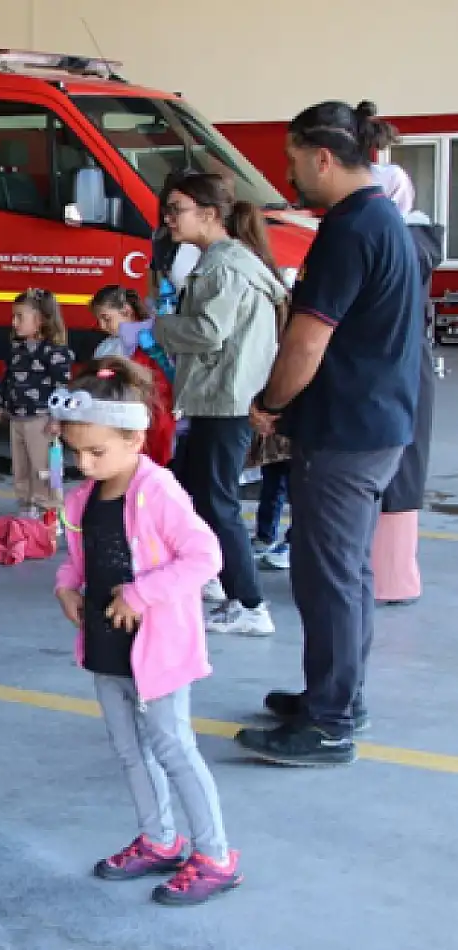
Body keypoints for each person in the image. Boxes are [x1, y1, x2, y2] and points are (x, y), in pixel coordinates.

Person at [240, 101, 423, 767]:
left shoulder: (350, 230)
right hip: (375, 426)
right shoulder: (381, 219)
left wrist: (269, 402)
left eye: (291, 161)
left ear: (322, 157)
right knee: (347, 573)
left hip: (347, 433)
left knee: (330, 578)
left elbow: (307, 342)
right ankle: (337, 695)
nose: (287, 175)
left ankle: (329, 722)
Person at [52, 359, 240, 906]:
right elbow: (78, 562)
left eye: (96, 452)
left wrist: (139, 594)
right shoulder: (81, 499)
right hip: (107, 646)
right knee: (130, 749)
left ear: (135, 438)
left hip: (158, 649)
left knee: (174, 747)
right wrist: (66, 587)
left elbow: (206, 556)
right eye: (74, 452)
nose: (84, 464)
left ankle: (216, 855)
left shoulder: (158, 491)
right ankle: (160, 839)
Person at [153, 173, 286, 637]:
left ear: (209, 214)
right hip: (216, 396)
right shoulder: (220, 260)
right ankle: (208, 576)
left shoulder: (224, 266)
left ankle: (249, 603)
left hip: (225, 400)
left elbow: (209, 331)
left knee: (217, 500)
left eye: (176, 209)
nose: (168, 219)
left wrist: (162, 326)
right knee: (189, 490)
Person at [370, 163, 445, 606]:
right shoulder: (414, 240)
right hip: (403, 363)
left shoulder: (403, 242)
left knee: (398, 469)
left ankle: (390, 578)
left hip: (397, 366)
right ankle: (389, 576)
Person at [0, 288, 73, 519]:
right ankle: (26, 507)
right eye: (14, 317)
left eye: (20, 317)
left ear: (41, 319)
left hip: (42, 420)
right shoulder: (17, 350)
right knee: (21, 468)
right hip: (18, 420)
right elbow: (8, 381)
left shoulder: (55, 353)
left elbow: (63, 387)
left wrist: (58, 418)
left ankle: (50, 511)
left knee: (44, 468)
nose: (14, 323)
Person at [89, 287, 177, 467]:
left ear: (126, 311)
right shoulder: (110, 346)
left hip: (153, 412)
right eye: (99, 320)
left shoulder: (149, 339)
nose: (101, 326)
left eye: (106, 318)